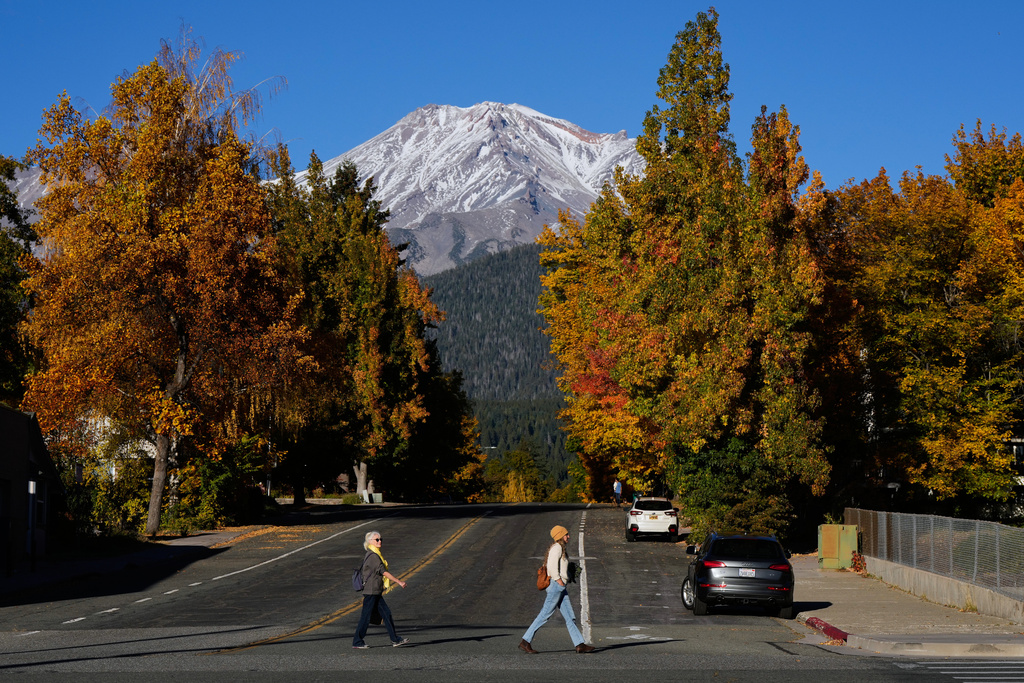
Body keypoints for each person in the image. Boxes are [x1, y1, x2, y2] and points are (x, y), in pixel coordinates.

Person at [519, 525, 595, 654]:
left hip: (560, 587)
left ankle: (580, 645)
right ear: (560, 536)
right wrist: (559, 581)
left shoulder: (560, 548)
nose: (568, 536)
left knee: (570, 617)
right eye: (566, 534)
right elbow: (551, 567)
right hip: (556, 587)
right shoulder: (557, 548)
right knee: (544, 615)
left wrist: (568, 577)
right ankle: (525, 641)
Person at [353, 530, 409, 649]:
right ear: (370, 542)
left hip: (376, 591)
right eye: (377, 540)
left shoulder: (375, 554)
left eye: (380, 539)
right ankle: (357, 641)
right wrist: (398, 581)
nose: (379, 541)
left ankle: (395, 639)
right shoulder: (373, 556)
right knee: (366, 616)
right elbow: (383, 571)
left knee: (386, 614)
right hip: (371, 592)